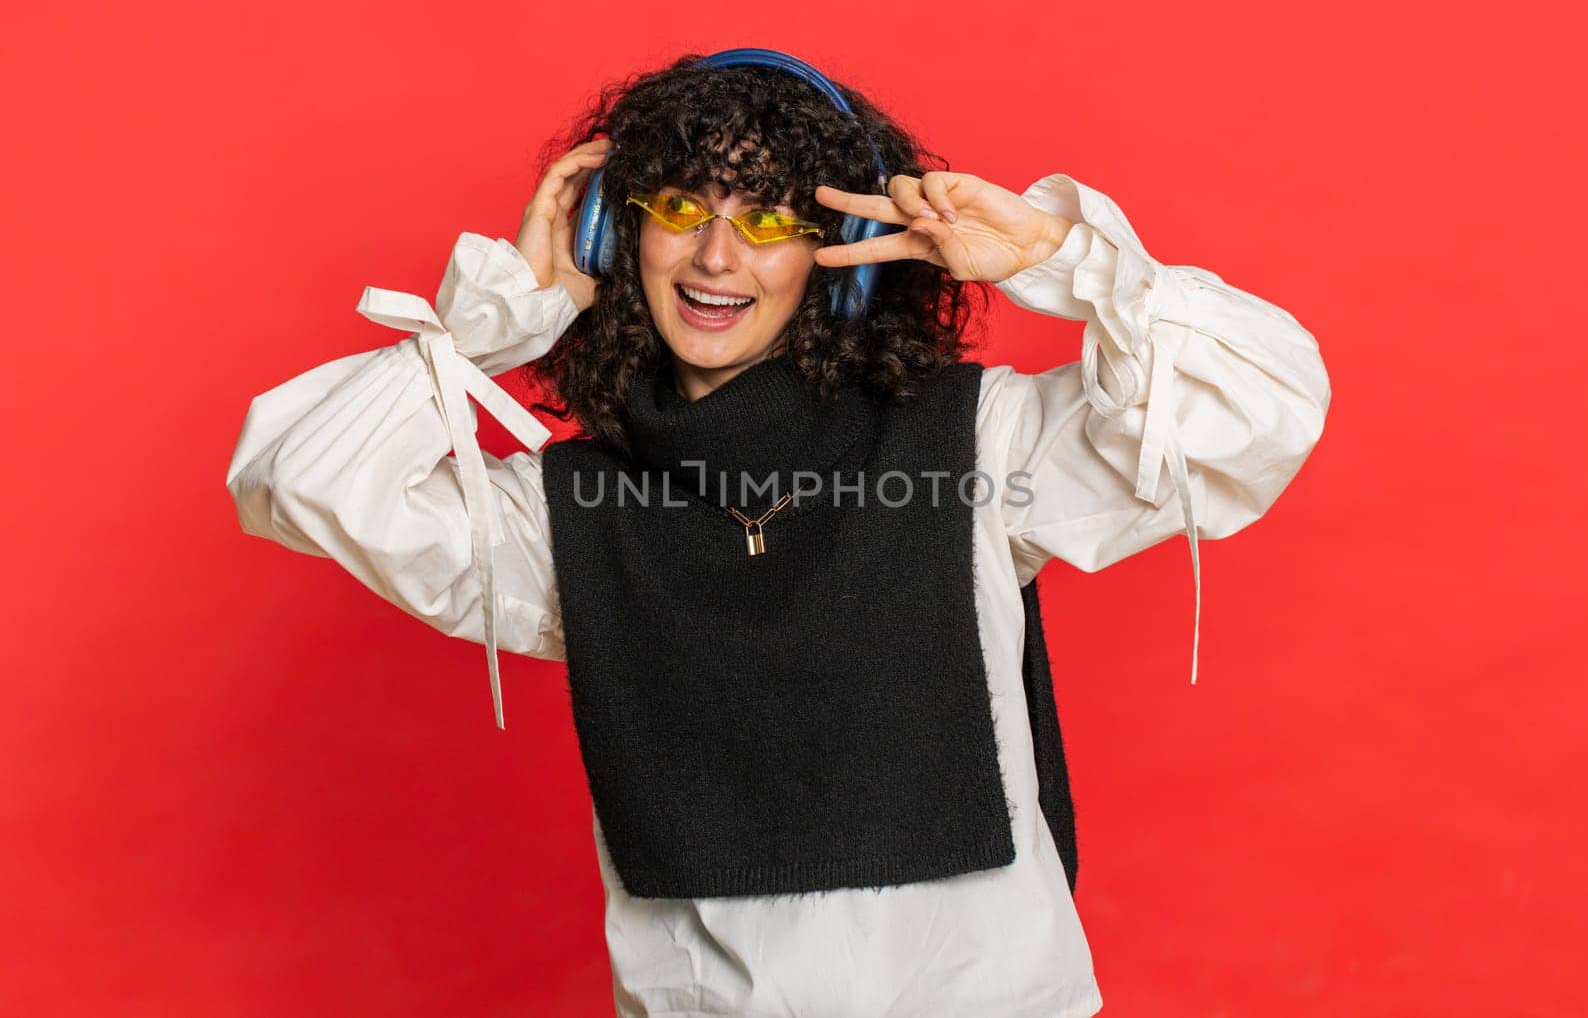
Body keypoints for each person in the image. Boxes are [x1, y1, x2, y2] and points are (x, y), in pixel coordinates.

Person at [226, 51, 1331, 1017]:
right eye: (677, 209)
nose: (715, 257)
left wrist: (1060, 258)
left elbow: (1256, 415)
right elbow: (296, 478)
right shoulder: (564, 515)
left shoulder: (978, 446)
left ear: (831, 260)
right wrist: (495, 315)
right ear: (619, 233)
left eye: (765, 221)